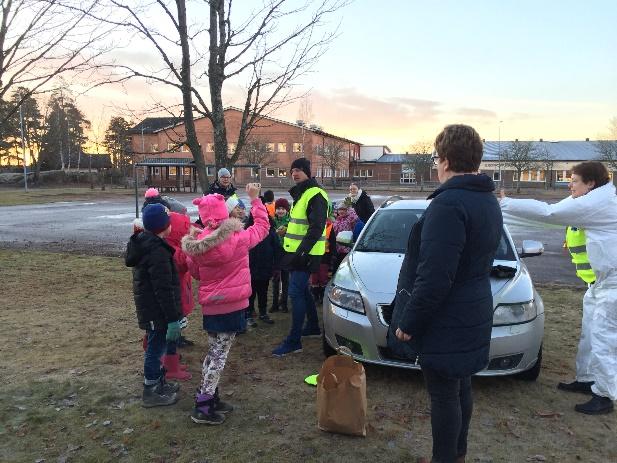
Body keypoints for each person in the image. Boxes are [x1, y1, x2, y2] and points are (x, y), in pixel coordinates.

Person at [389, 124, 502, 463]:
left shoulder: (448, 204)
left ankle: (445, 459)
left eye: (437, 158)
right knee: (460, 385)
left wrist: (410, 321)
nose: (435, 164)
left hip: (448, 316)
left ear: (448, 160)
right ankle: (457, 454)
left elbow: (435, 275)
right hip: (472, 308)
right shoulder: (486, 199)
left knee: (443, 395)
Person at [500, 161, 617, 415]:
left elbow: (549, 213)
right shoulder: (598, 200)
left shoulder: (596, 203)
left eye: (574, 181)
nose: (569, 185)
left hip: (613, 285)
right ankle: (587, 380)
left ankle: (605, 395)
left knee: (603, 339)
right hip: (600, 284)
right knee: (589, 334)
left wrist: (506, 203)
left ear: (591, 184)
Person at [182, 184, 269, 425]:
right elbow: (262, 227)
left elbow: (196, 273)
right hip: (231, 305)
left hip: (211, 306)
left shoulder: (197, 244)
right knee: (219, 356)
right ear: (224, 212)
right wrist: (255, 200)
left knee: (213, 353)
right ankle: (203, 406)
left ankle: (210, 397)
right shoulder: (238, 238)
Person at [125, 203, 184, 408]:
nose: (171, 225)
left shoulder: (147, 244)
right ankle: (150, 389)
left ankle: (159, 383)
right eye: (169, 222)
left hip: (153, 309)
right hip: (156, 311)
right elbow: (163, 289)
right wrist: (172, 319)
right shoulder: (156, 252)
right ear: (162, 227)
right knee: (155, 348)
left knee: (156, 345)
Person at [272, 158, 329, 357]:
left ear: (307, 172)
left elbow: (317, 226)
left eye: (298, 170)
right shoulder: (303, 193)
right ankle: (313, 326)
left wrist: (303, 251)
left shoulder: (315, 194)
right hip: (299, 251)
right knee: (302, 290)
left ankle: (294, 341)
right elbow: (304, 223)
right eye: (292, 170)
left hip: (307, 253)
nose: (294, 174)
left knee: (295, 292)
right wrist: (287, 229)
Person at [161, 211, 195, 381]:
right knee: (172, 334)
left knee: (174, 332)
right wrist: (192, 246)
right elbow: (184, 262)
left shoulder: (172, 246)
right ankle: (170, 365)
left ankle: (170, 360)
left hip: (180, 293)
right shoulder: (172, 250)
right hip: (176, 297)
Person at [245, 210, 278, 327]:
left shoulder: (271, 231)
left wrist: (276, 266)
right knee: (251, 292)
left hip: (266, 266)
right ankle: (248, 314)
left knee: (263, 291)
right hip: (251, 267)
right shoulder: (247, 231)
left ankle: (263, 313)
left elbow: (277, 248)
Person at [311, 202, 337, 304]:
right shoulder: (311, 224)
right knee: (314, 277)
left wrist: (333, 255)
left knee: (323, 277)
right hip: (313, 255)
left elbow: (333, 242)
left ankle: (322, 296)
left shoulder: (330, 227)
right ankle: (315, 295)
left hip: (324, 256)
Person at [271, 198, 291, 313]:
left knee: (285, 279)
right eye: (278, 208)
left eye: (283, 208)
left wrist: (286, 230)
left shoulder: (291, 222)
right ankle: (274, 303)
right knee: (275, 279)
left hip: (286, 253)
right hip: (276, 253)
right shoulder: (273, 221)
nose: (280, 211)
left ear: (287, 210)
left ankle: (284, 303)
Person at [332, 201, 359, 271]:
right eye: (339, 209)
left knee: (343, 267)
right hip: (337, 248)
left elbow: (355, 216)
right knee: (336, 266)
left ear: (347, 210)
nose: (341, 211)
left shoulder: (350, 219)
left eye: (343, 209)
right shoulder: (337, 220)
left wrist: (350, 207)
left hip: (346, 248)